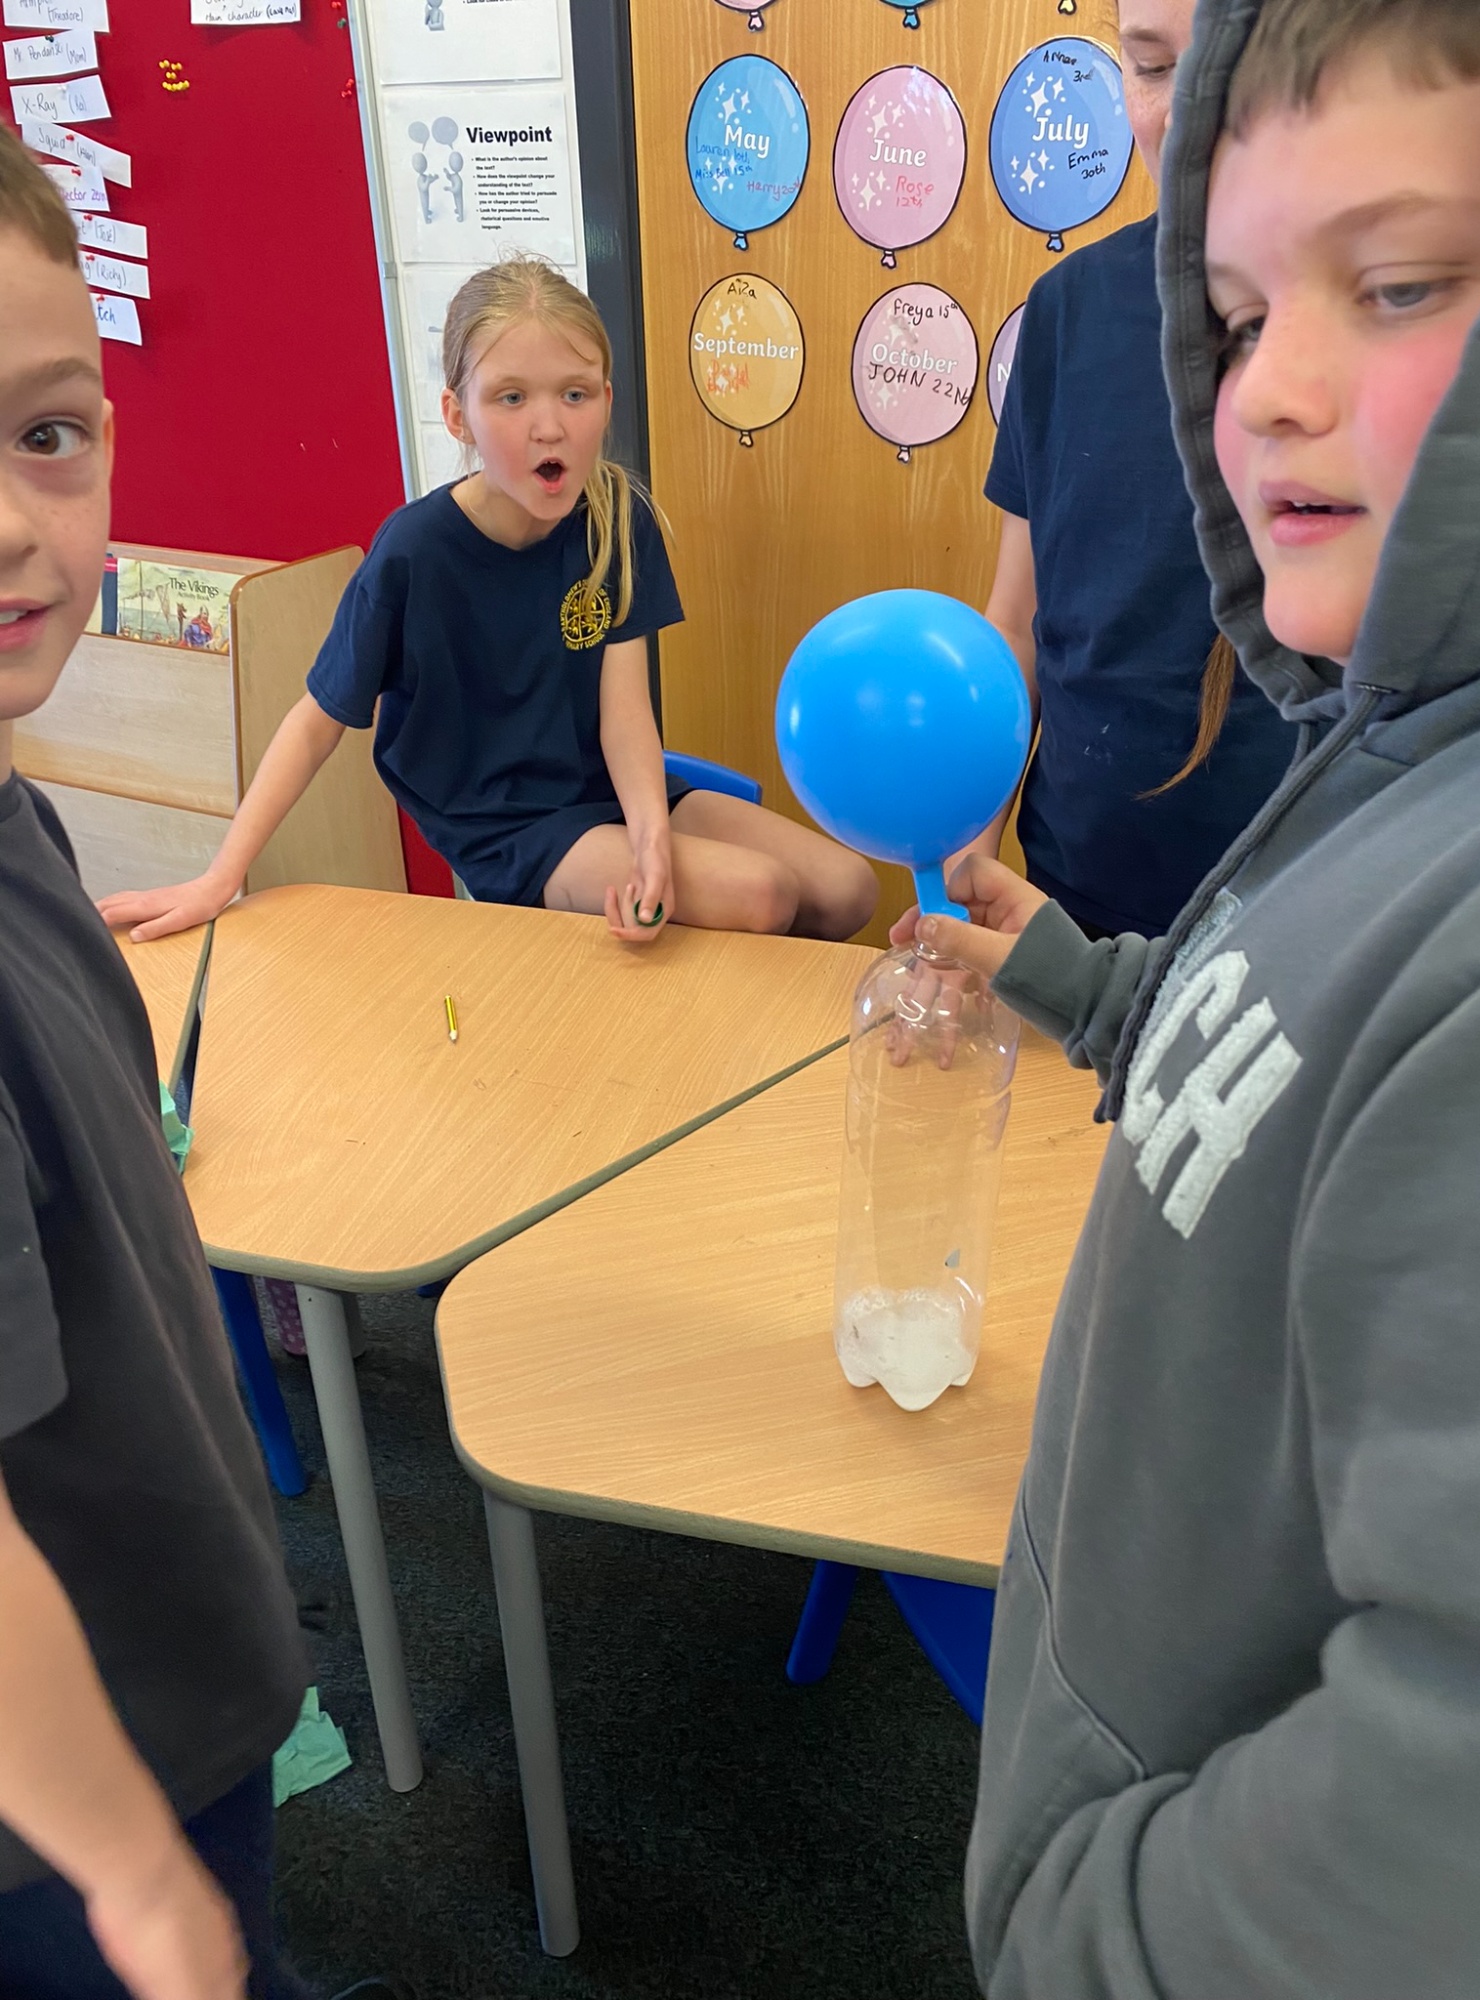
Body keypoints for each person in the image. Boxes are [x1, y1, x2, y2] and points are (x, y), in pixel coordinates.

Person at [903, 0, 1480, 1990]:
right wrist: (1080, 983)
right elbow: (1298, 1062)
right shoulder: (1396, 753)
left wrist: (1099, 1925)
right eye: (1236, 319)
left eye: (1398, 286)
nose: (1267, 395)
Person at [0, 128, 399, 2000]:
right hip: (81, 1806)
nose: (17, 521)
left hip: (175, 1672)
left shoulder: (19, 812)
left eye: (47, 432)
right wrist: (132, 1879)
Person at [99, 259, 877, 949]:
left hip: (608, 792)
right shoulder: (413, 552)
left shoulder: (616, 516)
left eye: (575, 394)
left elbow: (625, 713)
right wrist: (220, 878)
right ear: (457, 415)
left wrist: (650, 841)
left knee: (850, 890)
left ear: (606, 400)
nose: (550, 426)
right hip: (512, 828)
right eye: (511, 397)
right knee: (761, 895)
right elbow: (316, 721)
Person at [974, 0, 1296, 938]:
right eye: (1152, 68)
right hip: (1070, 904)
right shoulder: (1066, 310)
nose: (1190, 110)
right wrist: (971, 850)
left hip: (1287, 936)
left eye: (1235, 59)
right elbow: (1018, 622)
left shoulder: (1384, 346)